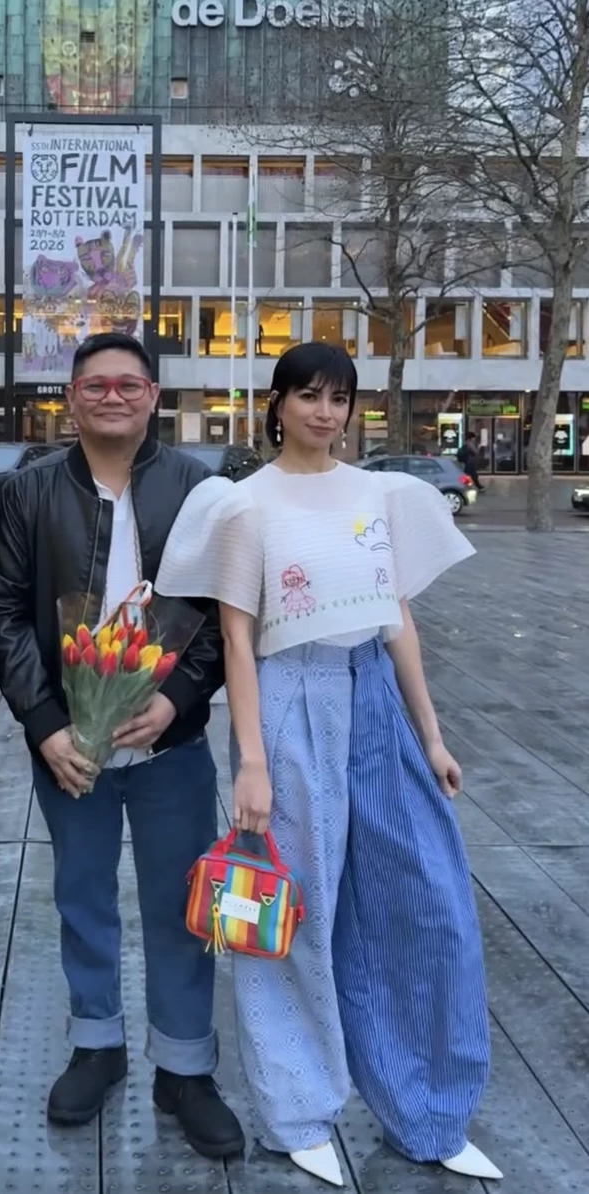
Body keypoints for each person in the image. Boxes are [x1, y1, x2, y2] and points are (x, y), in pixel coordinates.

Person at [155, 342, 500, 1187]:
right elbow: (236, 637)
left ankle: (427, 1108)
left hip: (375, 696)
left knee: (425, 902)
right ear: (277, 404)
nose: (325, 412)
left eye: (338, 397)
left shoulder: (382, 495)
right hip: (290, 698)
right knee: (294, 912)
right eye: (307, 395)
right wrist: (251, 761)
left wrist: (433, 735)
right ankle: (295, 1110)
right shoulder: (243, 506)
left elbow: (398, 619)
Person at [0, 331, 244, 1159]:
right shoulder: (26, 494)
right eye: (95, 385)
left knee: (179, 909)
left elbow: (217, 617)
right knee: (83, 901)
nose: (112, 397)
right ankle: (96, 1045)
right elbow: (4, 617)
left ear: (154, 397)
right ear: (71, 398)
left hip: (171, 749)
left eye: (128, 385)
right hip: (72, 749)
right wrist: (45, 725)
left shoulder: (197, 489)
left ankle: (186, 1065)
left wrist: (174, 703)